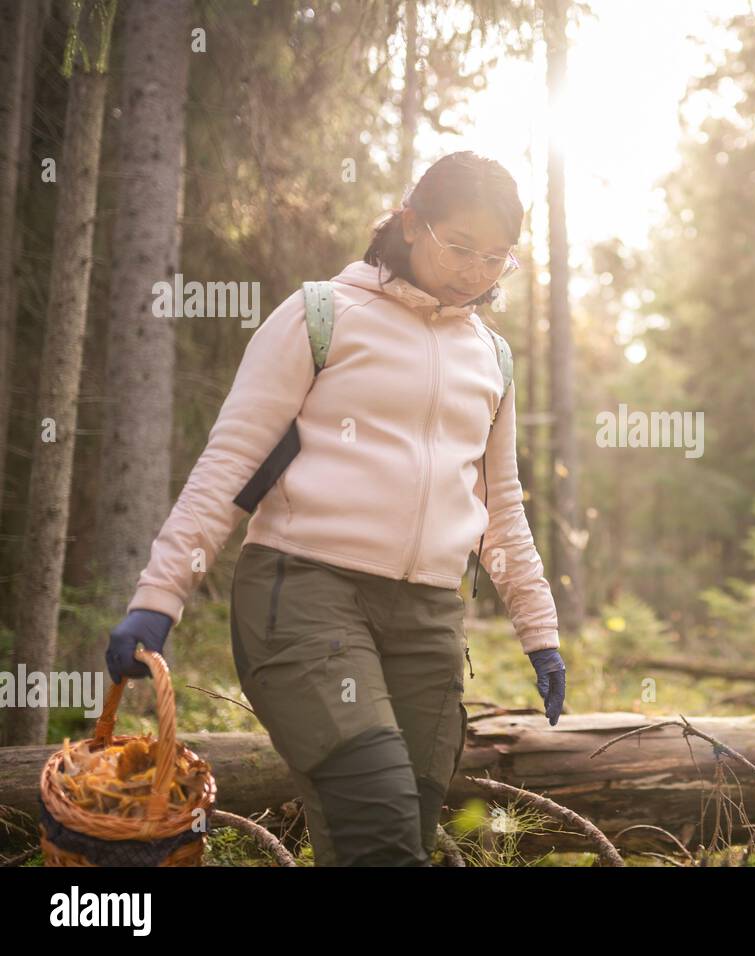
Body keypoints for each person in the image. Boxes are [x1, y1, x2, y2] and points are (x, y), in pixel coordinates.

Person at [103, 151, 566, 866]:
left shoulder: (492, 358)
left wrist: (541, 632)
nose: (477, 270)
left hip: (428, 620)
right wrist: (158, 598)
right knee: (377, 821)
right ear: (412, 225)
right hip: (305, 596)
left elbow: (500, 508)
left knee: (396, 837)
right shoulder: (322, 315)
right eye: (461, 246)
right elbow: (231, 463)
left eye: (497, 257)